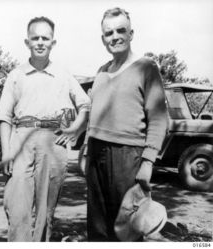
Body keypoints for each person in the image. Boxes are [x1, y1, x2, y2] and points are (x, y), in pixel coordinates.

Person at [0, 16, 90, 242]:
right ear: (27, 42)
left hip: (52, 141)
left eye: (45, 38)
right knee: (17, 205)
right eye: (35, 38)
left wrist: (75, 129)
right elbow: (4, 118)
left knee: (46, 208)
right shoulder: (16, 75)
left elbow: (85, 105)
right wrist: (7, 152)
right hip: (21, 140)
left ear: (52, 43)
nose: (40, 42)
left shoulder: (63, 74)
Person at [85, 8, 168, 241]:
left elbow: (159, 118)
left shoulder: (146, 68)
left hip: (127, 155)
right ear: (103, 39)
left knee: (127, 228)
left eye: (121, 30)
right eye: (109, 33)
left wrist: (148, 161)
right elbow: (94, 116)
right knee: (97, 225)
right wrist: (84, 151)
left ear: (132, 33)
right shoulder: (101, 72)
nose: (115, 36)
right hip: (95, 153)